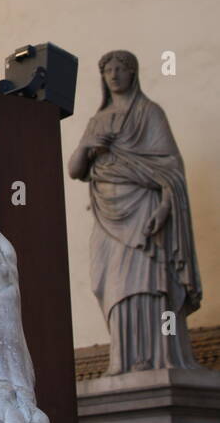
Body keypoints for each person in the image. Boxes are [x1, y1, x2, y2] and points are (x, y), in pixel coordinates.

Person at [69, 50, 202, 374]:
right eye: (108, 70)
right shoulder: (97, 121)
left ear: (133, 73)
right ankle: (121, 358)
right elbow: (74, 169)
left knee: (148, 283)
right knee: (110, 283)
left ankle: (158, 356)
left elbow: (172, 170)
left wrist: (166, 207)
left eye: (120, 69)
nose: (114, 75)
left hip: (145, 211)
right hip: (106, 217)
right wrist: (88, 147)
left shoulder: (150, 113)